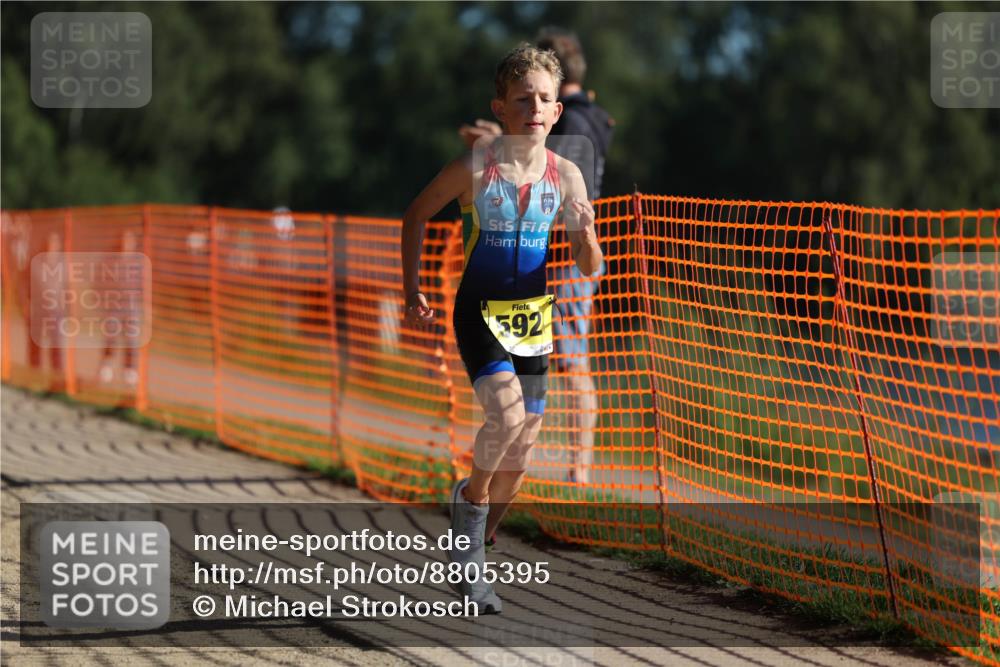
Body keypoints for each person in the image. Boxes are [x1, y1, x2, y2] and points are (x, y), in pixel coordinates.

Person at [402, 44, 603, 614]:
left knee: (522, 457)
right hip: (479, 310)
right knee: (507, 417)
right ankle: (470, 523)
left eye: (543, 99)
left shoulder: (567, 175)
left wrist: (587, 236)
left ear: (557, 111)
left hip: (533, 318)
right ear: (501, 107)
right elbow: (416, 215)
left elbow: (590, 266)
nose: (534, 108)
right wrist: (411, 289)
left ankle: (475, 535)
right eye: (522, 99)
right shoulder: (475, 166)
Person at [460, 29, 614, 487]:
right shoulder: (595, 116)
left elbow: (539, 167)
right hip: (553, 257)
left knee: (573, 363)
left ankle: (579, 468)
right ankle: (552, 459)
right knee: (558, 366)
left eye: (541, 97)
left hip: (564, 259)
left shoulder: (573, 123)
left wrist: (495, 139)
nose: (535, 108)